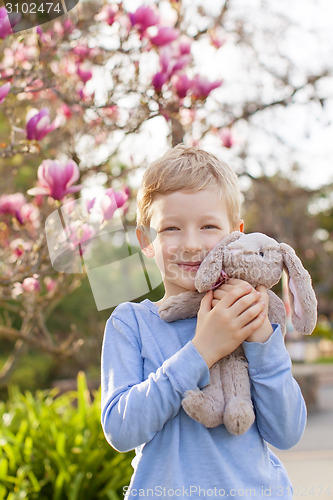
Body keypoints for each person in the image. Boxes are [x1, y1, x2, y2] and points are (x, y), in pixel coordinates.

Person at [101, 144, 306, 499]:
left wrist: (260, 342)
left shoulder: (249, 313)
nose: (192, 244)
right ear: (146, 240)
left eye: (209, 226)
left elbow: (287, 432)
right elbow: (121, 429)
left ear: (236, 234)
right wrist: (201, 351)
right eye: (171, 229)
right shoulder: (130, 323)